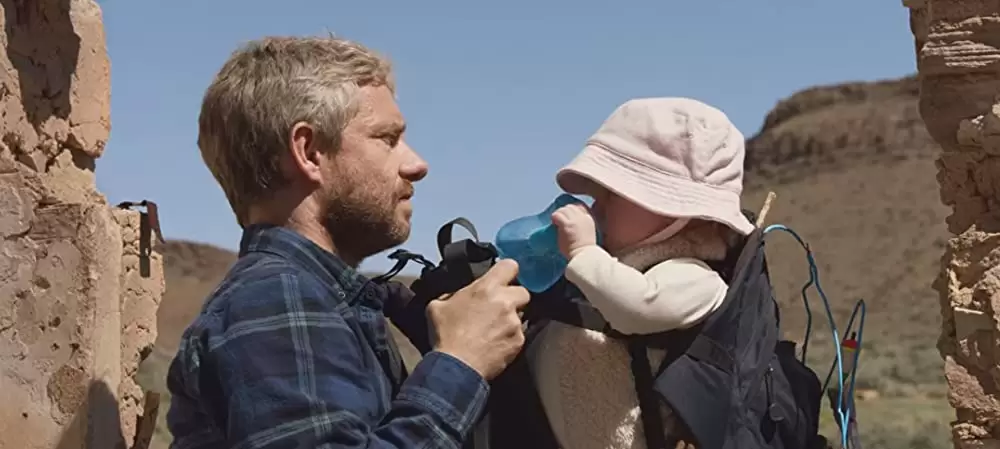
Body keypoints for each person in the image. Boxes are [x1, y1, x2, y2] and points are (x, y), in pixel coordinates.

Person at [165, 35, 530, 449]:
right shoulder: (276, 297)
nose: (416, 164)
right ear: (309, 152)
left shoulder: (318, 299)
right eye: (387, 139)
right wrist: (460, 362)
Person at [525, 97, 755, 449]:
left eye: (611, 194)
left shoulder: (695, 278)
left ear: (676, 210)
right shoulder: (604, 272)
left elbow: (639, 307)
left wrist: (584, 252)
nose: (596, 206)